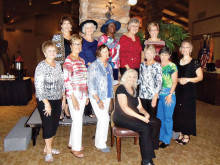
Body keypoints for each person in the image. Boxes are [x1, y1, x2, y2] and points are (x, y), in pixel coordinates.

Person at [113, 69, 160, 165]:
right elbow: (125, 108)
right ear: (125, 77)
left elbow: (140, 107)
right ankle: (146, 161)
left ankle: (150, 148)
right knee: (145, 127)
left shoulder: (135, 90)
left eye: (134, 77)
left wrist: (146, 114)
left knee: (156, 122)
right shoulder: (121, 88)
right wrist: (141, 118)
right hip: (121, 117)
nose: (132, 79)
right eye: (129, 76)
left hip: (133, 116)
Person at [34, 40, 66, 163]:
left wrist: (63, 97)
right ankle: (48, 152)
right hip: (45, 100)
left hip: (57, 99)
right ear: (44, 52)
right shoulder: (41, 66)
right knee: (48, 125)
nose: (52, 53)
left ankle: (48, 147)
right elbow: (38, 86)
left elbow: (62, 82)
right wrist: (46, 103)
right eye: (49, 51)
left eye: (54, 50)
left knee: (54, 125)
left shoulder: (58, 65)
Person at [63, 34, 89, 158]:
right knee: (78, 120)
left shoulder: (82, 60)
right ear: (71, 45)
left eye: (80, 44)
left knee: (77, 119)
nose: (78, 46)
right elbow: (67, 81)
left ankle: (72, 142)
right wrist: (72, 99)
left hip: (83, 94)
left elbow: (85, 79)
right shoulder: (68, 60)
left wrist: (87, 95)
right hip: (74, 95)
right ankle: (76, 148)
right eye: (75, 44)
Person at [173, 40, 203, 145]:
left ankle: (186, 135)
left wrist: (188, 79)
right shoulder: (177, 62)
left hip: (189, 91)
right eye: (183, 47)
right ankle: (181, 133)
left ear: (190, 49)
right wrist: (178, 80)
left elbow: (200, 77)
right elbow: (174, 77)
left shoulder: (194, 62)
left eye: (187, 47)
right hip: (179, 90)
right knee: (179, 112)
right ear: (181, 49)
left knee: (187, 113)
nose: (185, 49)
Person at [87, 44, 114, 152]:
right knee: (104, 119)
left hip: (107, 96)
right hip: (97, 97)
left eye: (107, 51)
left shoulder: (109, 65)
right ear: (99, 53)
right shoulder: (94, 65)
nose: (106, 53)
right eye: (103, 51)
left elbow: (111, 83)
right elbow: (90, 84)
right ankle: (101, 144)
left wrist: (111, 98)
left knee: (102, 120)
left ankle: (99, 143)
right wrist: (98, 99)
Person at [139, 45, 162, 149]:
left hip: (152, 97)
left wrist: (155, 97)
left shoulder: (157, 65)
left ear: (154, 54)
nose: (148, 55)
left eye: (150, 53)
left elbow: (159, 82)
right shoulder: (142, 65)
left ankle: (153, 144)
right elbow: (140, 80)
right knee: (144, 119)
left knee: (152, 120)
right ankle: (145, 141)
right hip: (142, 96)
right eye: (146, 53)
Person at [156, 47, 178, 148]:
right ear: (159, 55)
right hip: (159, 96)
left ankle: (166, 140)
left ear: (169, 55)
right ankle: (161, 137)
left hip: (169, 95)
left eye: (166, 54)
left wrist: (170, 94)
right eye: (162, 54)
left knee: (168, 118)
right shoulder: (158, 66)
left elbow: (175, 82)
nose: (164, 56)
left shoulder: (172, 66)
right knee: (160, 117)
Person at [52, 16, 73, 119]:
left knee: (69, 88)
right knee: (61, 89)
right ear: (61, 26)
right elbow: (53, 52)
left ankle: (67, 109)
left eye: (68, 23)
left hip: (71, 68)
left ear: (71, 26)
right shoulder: (56, 37)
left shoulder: (74, 38)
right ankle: (59, 110)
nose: (66, 26)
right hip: (60, 67)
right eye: (64, 24)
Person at [79, 19, 98, 118]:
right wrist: (88, 63)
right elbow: (80, 53)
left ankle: (91, 110)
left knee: (93, 88)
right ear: (84, 30)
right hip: (85, 68)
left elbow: (98, 55)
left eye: (91, 27)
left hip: (95, 68)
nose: (90, 29)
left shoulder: (96, 42)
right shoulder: (81, 41)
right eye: (87, 28)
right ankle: (85, 110)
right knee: (85, 88)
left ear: (94, 29)